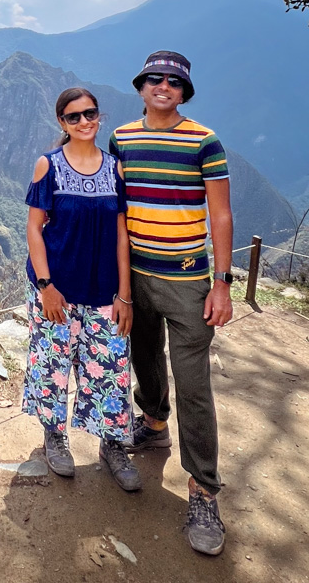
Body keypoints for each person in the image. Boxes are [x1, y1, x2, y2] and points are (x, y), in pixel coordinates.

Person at [109, 51, 233, 556]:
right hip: (135, 275)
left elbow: (220, 215)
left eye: (173, 82)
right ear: (141, 87)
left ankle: (203, 488)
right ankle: (154, 422)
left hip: (186, 281)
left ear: (183, 92)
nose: (163, 86)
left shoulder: (205, 142)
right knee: (144, 358)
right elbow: (111, 206)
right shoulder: (121, 138)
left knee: (194, 383)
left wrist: (221, 282)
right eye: (154, 79)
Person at [23, 87, 141, 492]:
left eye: (89, 113)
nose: (84, 122)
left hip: (105, 291)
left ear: (99, 116)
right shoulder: (49, 166)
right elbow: (34, 231)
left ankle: (112, 444)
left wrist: (125, 294)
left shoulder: (115, 169)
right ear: (62, 123)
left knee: (110, 369)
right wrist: (46, 286)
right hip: (58, 289)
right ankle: (54, 436)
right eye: (74, 117)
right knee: (52, 366)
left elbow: (121, 236)